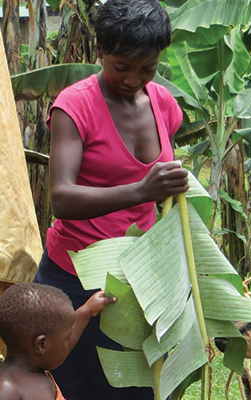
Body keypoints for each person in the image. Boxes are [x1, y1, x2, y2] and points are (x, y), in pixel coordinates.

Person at [34, 0, 189, 399]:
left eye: (148, 68)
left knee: (140, 387)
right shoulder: (75, 105)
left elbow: (163, 185)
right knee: (72, 388)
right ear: (100, 50)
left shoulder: (164, 106)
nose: (134, 79)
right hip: (75, 279)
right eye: (122, 66)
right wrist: (142, 190)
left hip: (140, 280)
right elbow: (62, 199)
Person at [0, 282, 116, 400]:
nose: (68, 343)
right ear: (42, 345)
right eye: (66, 339)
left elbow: (60, 345)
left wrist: (87, 311)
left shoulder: (37, 366)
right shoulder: (7, 390)